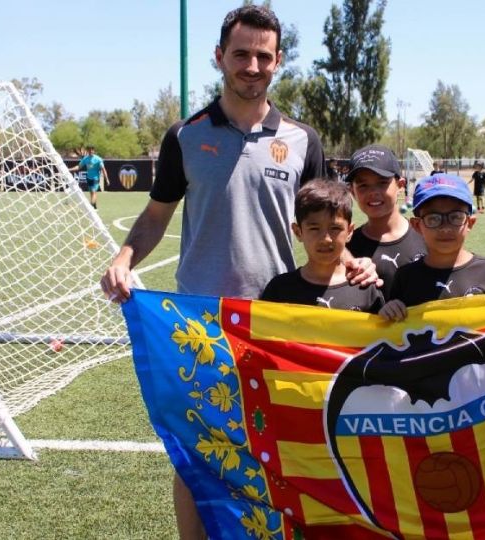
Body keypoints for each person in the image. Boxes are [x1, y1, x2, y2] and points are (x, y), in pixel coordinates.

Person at [98, 6, 375, 539]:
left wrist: (352, 259)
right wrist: (124, 257)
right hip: (198, 322)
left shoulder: (301, 140)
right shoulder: (185, 135)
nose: (252, 65)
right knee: (196, 451)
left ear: (279, 62)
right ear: (220, 56)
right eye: (241, 54)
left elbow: (328, 219)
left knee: (283, 447)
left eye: (263, 56)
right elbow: (157, 215)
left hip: (281, 321)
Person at [379, 174, 485, 322]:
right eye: (433, 218)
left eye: (455, 217)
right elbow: (394, 330)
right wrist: (389, 310)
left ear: (470, 223)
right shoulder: (406, 277)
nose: (445, 228)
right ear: (417, 225)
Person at [261, 180, 384, 312]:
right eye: (314, 228)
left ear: (349, 231)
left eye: (335, 228)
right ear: (298, 232)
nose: (325, 239)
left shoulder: (366, 290)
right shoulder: (279, 290)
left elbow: (384, 331)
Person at [344, 144, 427, 298]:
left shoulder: (426, 237)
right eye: (363, 185)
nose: (373, 192)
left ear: (400, 185)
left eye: (382, 183)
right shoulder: (346, 248)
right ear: (352, 192)